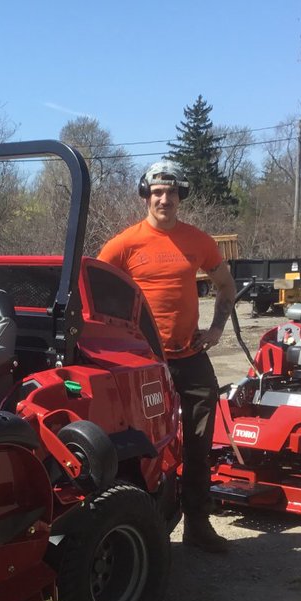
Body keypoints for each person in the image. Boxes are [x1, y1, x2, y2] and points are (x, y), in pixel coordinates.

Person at [98, 160, 237, 554]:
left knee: (198, 441)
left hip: (190, 355)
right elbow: (89, 291)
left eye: (171, 193)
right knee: (148, 444)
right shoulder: (123, 244)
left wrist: (216, 329)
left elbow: (226, 286)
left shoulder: (198, 241)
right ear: (146, 195)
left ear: (180, 196)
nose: (164, 199)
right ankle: (147, 525)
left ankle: (197, 522)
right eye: (157, 192)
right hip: (142, 362)